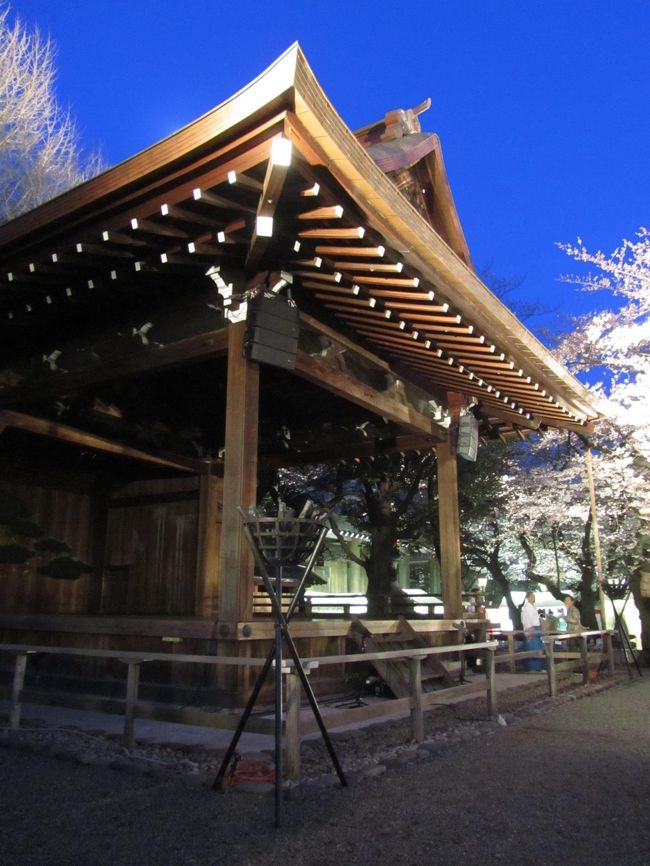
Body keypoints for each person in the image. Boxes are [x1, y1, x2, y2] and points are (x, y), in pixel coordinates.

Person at [521, 591, 545, 671]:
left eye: (534, 596)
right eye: (532, 596)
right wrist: (529, 629)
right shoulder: (527, 607)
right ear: (528, 598)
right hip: (532, 628)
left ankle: (539, 667)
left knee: (538, 648)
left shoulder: (532, 606)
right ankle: (532, 668)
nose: (534, 598)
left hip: (536, 628)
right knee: (532, 648)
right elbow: (527, 619)